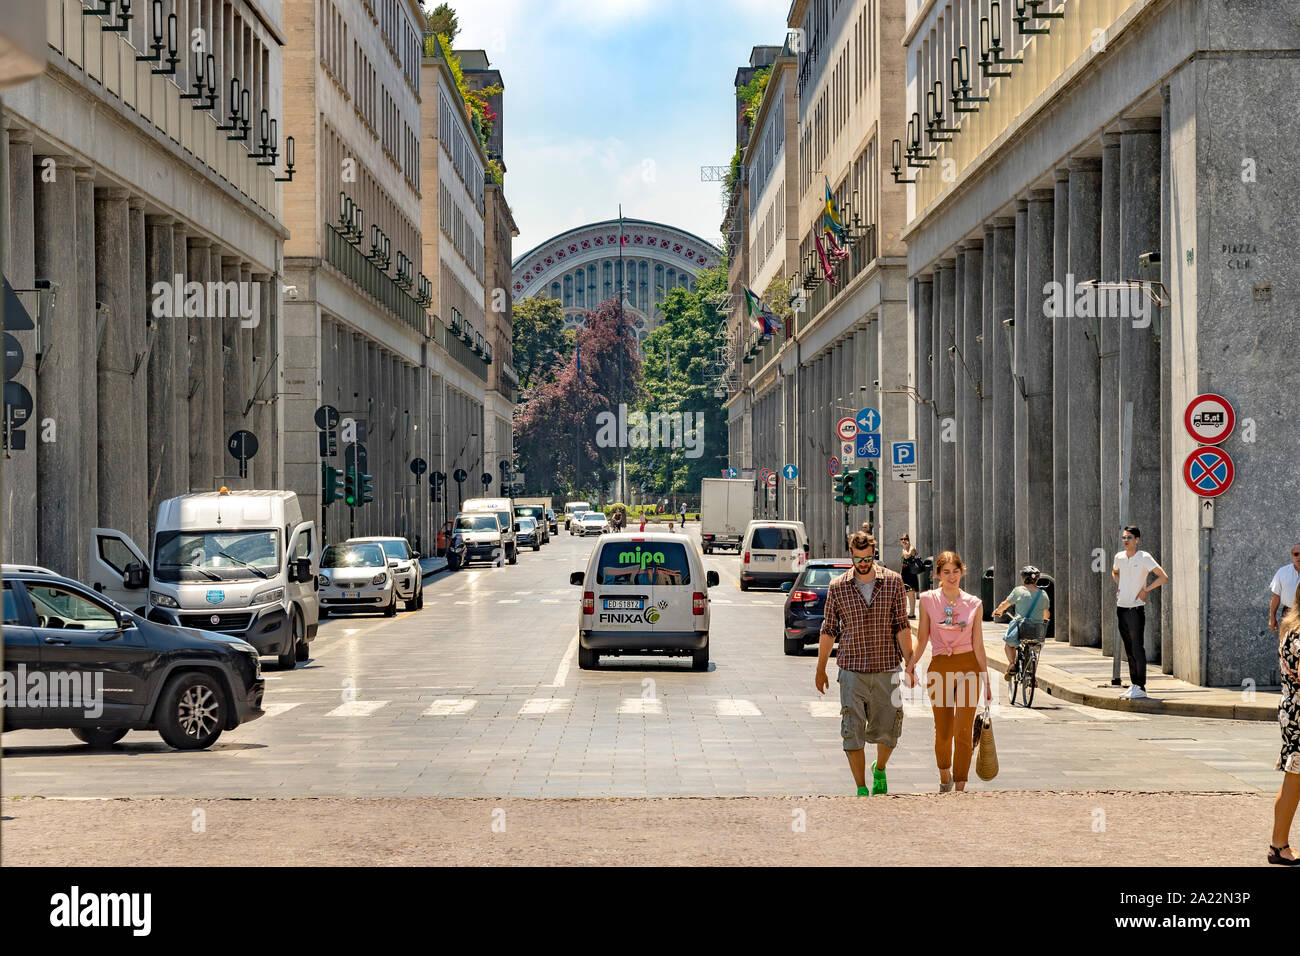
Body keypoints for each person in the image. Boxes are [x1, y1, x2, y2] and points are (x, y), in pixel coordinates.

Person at [815, 531, 911, 796]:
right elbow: (829, 629)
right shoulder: (838, 587)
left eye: (868, 558)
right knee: (852, 730)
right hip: (851, 668)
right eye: (858, 559)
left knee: (889, 729)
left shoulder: (893, 582)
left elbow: (901, 625)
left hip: (887, 667)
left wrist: (911, 663)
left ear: (874, 554)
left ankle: (879, 767)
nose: (863, 563)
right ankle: (861, 787)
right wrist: (821, 667)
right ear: (851, 556)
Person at [908, 550, 990, 792]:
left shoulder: (974, 603)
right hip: (940, 667)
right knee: (943, 730)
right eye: (946, 572)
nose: (952, 576)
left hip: (969, 669)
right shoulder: (927, 600)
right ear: (938, 575)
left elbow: (978, 644)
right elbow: (922, 639)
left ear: (962, 572)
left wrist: (985, 680)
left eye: (956, 571)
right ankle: (945, 777)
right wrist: (910, 667)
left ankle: (960, 786)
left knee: (962, 729)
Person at [1112, 526, 1169, 700]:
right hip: (1121, 606)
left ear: (1137, 539)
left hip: (1136, 608)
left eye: (1129, 537)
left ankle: (1141, 686)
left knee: (1137, 648)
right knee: (1128, 649)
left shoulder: (1144, 557)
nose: (1125, 540)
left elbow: (1163, 576)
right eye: (1123, 537)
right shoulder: (1119, 557)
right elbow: (1115, 572)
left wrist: (1146, 590)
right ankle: (1134, 684)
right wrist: (1120, 586)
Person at [1269, 581, 1300, 864]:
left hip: (1292, 710)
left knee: (1294, 778)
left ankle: (1278, 845)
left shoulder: (1291, 628)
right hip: (1299, 715)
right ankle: (1278, 845)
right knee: (1294, 778)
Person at [992, 566, 1051, 680]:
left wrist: (997, 611)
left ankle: (1012, 664)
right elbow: (1046, 615)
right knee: (1034, 649)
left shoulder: (1018, 591)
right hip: (1037, 630)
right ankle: (1032, 675)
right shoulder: (1043, 594)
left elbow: (1005, 604)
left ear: (1023, 579)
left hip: (1021, 627)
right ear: (1037, 580)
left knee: (1009, 644)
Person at [1268, 543, 1300, 634]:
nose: (1299, 557)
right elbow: (1276, 596)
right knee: (1288, 644)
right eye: (1296, 554)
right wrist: (1272, 617)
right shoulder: (1282, 572)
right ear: (1292, 556)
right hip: (1289, 614)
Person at [899, 534, 920, 619]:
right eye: (902, 539)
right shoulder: (903, 549)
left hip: (911, 574)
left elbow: (907, 556)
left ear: (909, 539)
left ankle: (912, 613)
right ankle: (906, 612)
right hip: (904, 573)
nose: (903, 540)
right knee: (905, 593)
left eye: (905, 539)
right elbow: (903, 563)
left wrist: (905, 548)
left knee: (911, 594)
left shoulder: (911, 548)